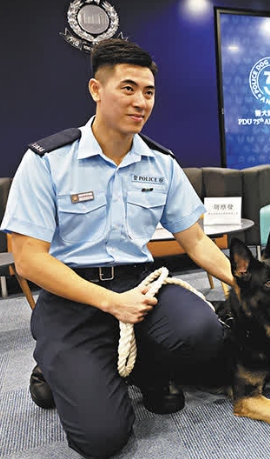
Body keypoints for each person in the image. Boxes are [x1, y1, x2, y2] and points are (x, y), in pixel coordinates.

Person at [0, 38, 233, 458]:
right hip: (72, 295)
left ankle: (147, 369)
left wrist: (245, 281)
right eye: (128, 88)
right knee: (101, 439)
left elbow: (196, 240)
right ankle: (55, 368)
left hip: (138, 285)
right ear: (96, 90)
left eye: (148, 92)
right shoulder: (47, 160)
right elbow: (28, 259)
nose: (141, 101)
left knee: (205, 331)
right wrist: (111, 302)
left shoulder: (161, 163)